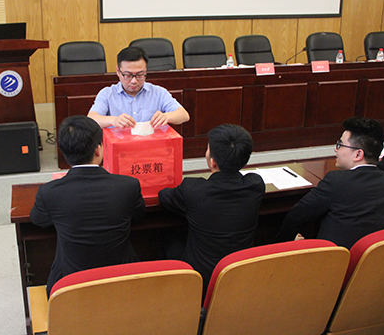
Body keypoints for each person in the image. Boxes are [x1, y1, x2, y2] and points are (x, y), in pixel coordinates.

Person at [30, 115, 146, 295]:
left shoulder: (49, 192)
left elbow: (38, 220)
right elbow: (138, 216)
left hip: (70, 288)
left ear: (64, 151)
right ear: (98, 149)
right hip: (122, 283)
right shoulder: (128, 186)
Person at [158, 124, 265, 296]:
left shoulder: (193, 189)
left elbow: (164, 196)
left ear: (212, 161)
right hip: (240, 271)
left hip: (202, 279)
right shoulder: (255, 185)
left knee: (167, 237)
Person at [277, 117, 384, 249]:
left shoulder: (336, 181)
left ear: (358, 154)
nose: (335, 149)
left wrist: (285, 243)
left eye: (340, 145)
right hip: (373, 260)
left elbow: (297, 215)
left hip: (334, 259)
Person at [87, 46, 190, 129]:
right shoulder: (107, 94)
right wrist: (113, 120)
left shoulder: (158, 92)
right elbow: (91, 119)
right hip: (119, 145)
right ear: (118, 71)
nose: (134, 81)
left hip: (150, 144)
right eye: (128, 75)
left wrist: (166, 116)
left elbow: (184, 115)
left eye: (140, 75)